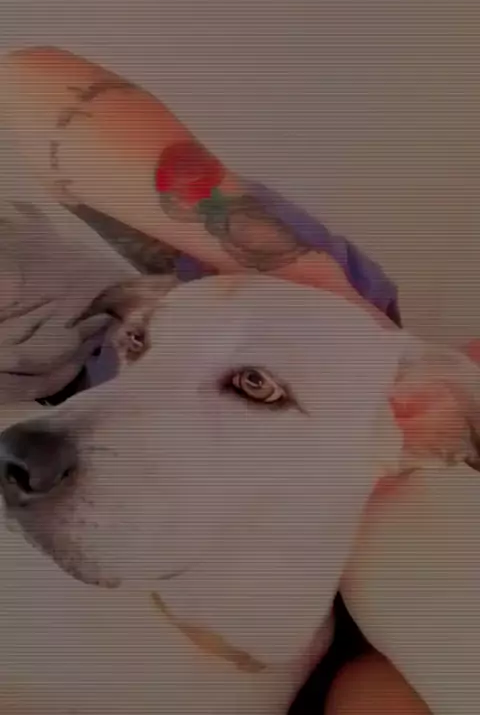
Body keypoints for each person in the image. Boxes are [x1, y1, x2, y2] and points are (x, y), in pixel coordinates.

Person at [1, 45, 431, 714]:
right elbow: (29, 80)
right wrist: (309, 281)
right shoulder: (331, 302)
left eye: (254, 383)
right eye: (143, 339)